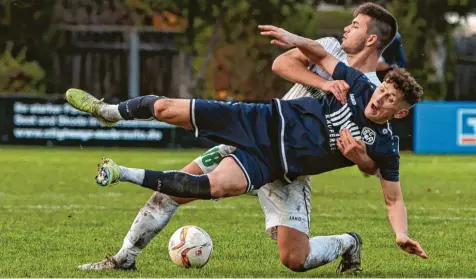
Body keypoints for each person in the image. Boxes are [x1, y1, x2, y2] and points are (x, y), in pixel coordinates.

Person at [67, 12, 428, 274]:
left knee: (294, 259)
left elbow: (378, 173)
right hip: (257, 128)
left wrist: (365, 164)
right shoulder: (336, 57)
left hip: (289, 169)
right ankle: (123, 256)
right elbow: (283, 64)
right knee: (177, 182)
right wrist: (316, 74)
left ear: (371, 39)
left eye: (356, 24)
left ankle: (348, 242)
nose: (346, 27)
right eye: (349, 21)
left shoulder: (373, 89)